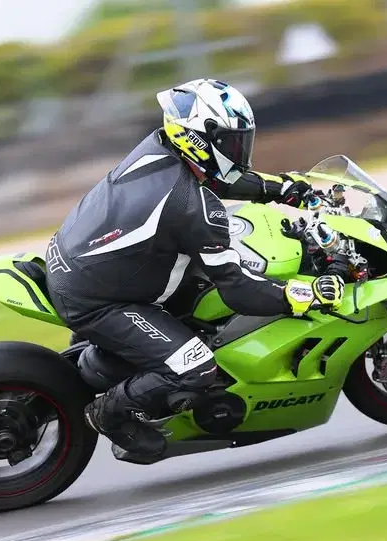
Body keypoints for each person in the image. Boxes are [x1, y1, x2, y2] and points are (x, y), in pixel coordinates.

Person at [44, 78, 346, 457]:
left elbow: (213, 180)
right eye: (230, 141)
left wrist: (283, 189)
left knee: (197, 293)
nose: (239, 150)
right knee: (197, 367)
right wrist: (303, 295)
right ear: (199, 139)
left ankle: (116, 361)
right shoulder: (193, 207)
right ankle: (111, 414)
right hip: (99, 298)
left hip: (82, 263)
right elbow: (239, 289)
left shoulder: (159, 148)